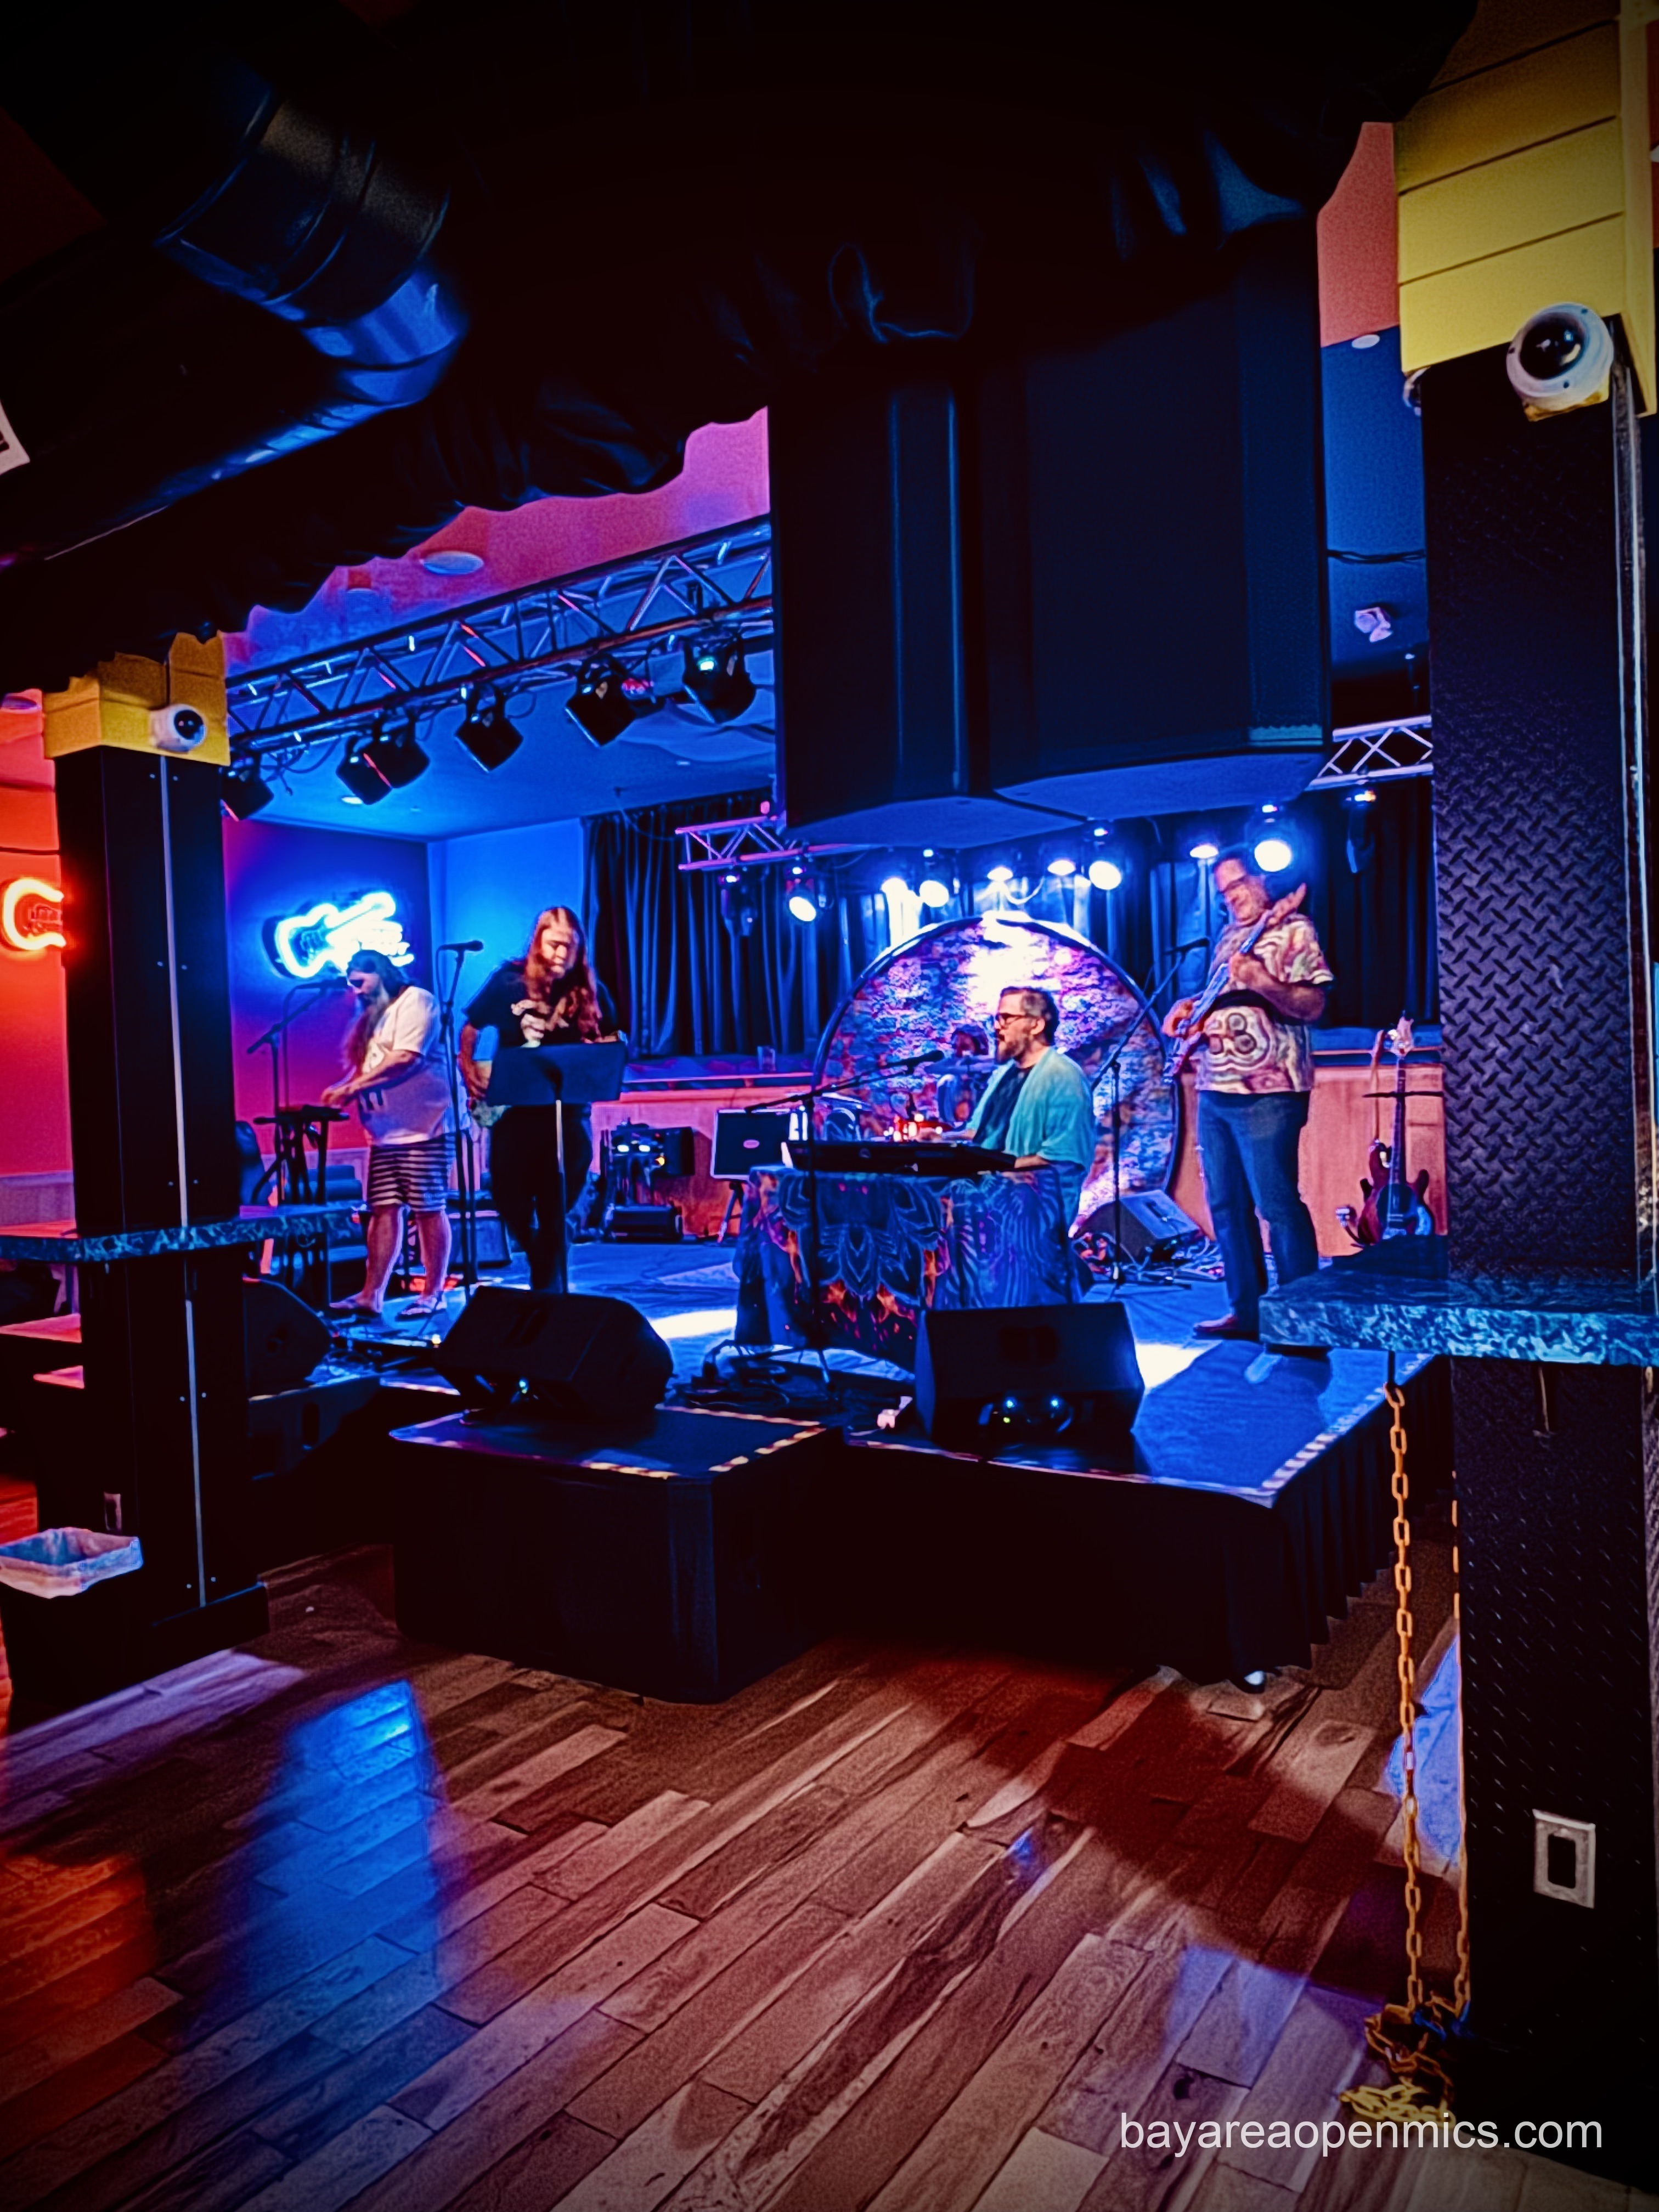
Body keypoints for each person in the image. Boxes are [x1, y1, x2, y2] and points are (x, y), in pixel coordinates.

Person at [1163, 846, 1333, 1341]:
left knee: (1276, 1204)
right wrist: (1188, 1013)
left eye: (1239, 885)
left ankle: (1299, 1321)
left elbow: (1312, 1005)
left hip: (1270, 1089)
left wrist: (1263, 980)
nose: (1233, 897)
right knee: (1226, 1206)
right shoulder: (1229, 938)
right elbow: (1222, 999)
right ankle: (1247, 1312)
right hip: (1215, 1087)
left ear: (1262, 880)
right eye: (1224, 892)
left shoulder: (1294, 930)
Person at [458, 907, 619, 1291]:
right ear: (539, 942)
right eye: (554, 944)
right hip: (515, 1113)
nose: (562, 953)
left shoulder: (590, 989)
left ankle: (550, 1294)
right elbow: (471, 1028)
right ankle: (541, 1259)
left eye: (570, 945)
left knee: (556, 1206)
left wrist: (602, 1053)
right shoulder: (508, 981)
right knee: (507, 1198)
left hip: (567, 1117)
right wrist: (468, 1069)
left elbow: (612, 1039)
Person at [320, 950, 455, 1320]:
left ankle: (433, 1292)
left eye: (360, 982)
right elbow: (372, 1066)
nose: (356, 991)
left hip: (424, 1127)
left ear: (380, 974)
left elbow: (407, 1058)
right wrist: (345, 1087)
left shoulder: (417, 1001)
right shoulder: (372, 1017)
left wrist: (353, 1088)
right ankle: (371, 1294)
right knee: (383, 1210)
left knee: (428, 1209)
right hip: (384, 1134)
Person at [964, 985, 1097, 1222]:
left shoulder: (1063, 1077)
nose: (997, 1027)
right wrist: (940, 1139)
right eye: (996, 1019)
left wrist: (996, 1169)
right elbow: (979, 1134)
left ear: (1036, 1025)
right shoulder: (1003, 1075)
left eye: (1006, 1019)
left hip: (1031, 1211)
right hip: (989, 1193)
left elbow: (1061, 1158)